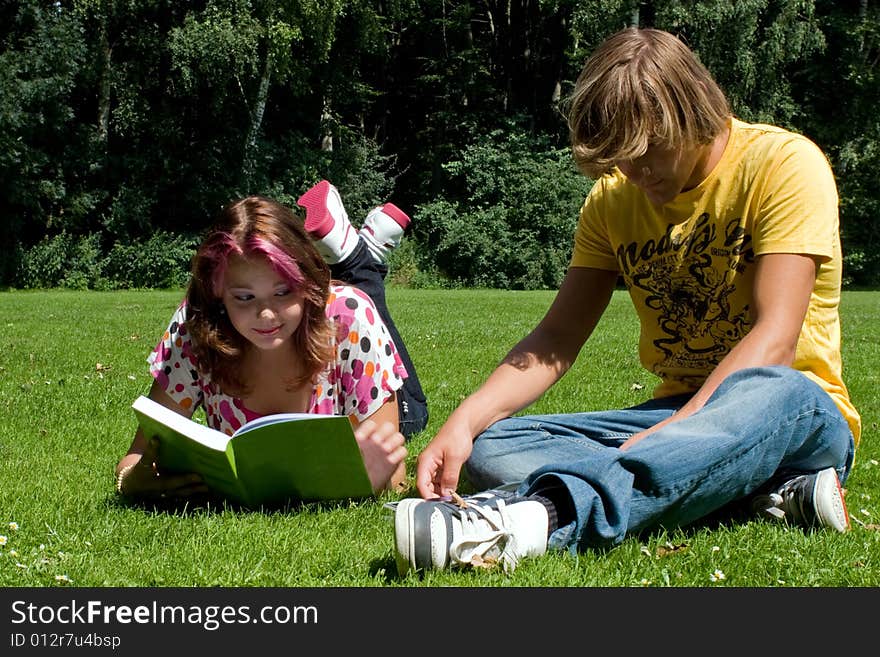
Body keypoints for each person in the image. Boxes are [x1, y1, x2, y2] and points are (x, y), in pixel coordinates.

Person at [391, 27, 861, 575]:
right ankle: (761, 491)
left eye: (647, 153)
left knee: (775, 392)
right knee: (496, 448)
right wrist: (464, 424)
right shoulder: (611, 200)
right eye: (619, 161)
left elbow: (775, 336)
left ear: (690, 112)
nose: (635, 175)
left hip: (794, 409)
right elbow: (557, 339)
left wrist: (677, 429)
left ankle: (530, 521)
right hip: (677, 410)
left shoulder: (784, 165)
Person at [115, 181, 428, 501]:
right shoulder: (195, 328)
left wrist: (369, 480)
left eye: (283, 292)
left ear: (306, 281)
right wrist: (130, 481)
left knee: (411, 410)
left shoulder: (349, 316)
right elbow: (134, 459)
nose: (266, 315)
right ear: (217, 293)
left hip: (391, 400)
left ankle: (362, 262)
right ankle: (362, 256)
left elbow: (395, 475)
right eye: (244, 297)